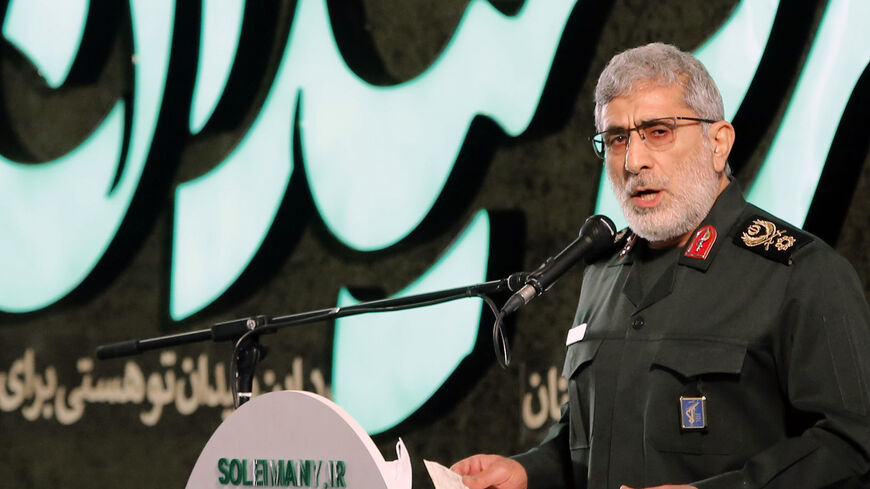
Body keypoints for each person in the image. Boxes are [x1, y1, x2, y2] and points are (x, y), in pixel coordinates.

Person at [451, 43, 870, 489]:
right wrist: (526, 471)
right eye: (617, 139)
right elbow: (584, 441)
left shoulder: (801, 273)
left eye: (658, 131)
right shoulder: (602, 274)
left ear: (718, 143)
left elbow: (852, 447)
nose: (634, 161)